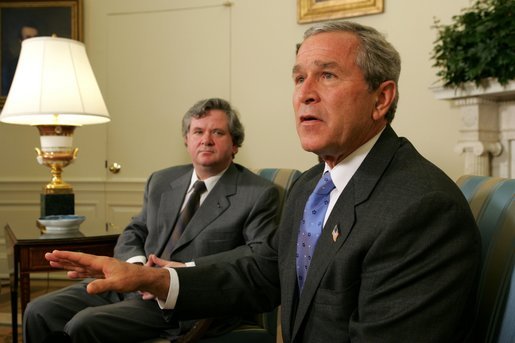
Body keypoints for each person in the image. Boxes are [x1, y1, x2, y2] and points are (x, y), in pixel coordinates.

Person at [46, 21, 482, 342]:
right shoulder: (311, 184)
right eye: (298, 78)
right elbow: (264, 272)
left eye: (327, 75)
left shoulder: (421, 207)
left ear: (381, 98)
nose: (304, 93)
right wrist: (154, 280)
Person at [24, 98, 280, 342]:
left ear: (235, 144)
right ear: (186, 140)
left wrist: (184, 269)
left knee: (83, 325)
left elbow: (257, 257)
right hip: (128, 283)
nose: (206, 140)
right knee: (39, 311)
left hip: (182, 298)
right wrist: (134, 267)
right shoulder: (161, 181)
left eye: (218, 133)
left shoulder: (257, 194)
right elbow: (135, 230)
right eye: (198, 132)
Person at [2, 24, 39, 96]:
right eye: (28, 38)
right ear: (20, 41)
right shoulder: (10, 66)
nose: (33, 41)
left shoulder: (46, 64)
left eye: (35, 37)